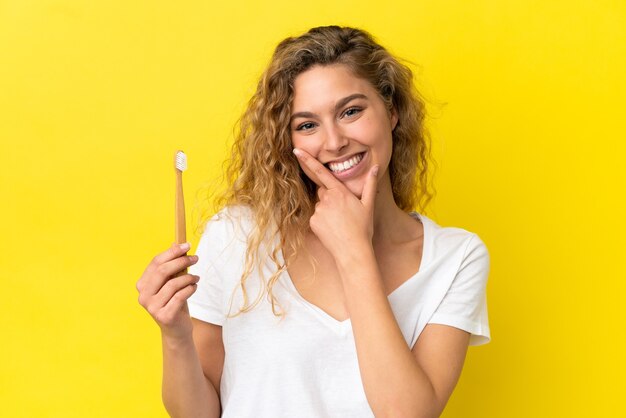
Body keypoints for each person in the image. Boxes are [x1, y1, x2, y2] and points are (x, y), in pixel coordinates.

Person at [136, 25, 491, 418]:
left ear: (392, 111)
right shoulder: (237, 234)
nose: (334, 141)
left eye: (351, 111)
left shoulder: (456, 257)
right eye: (307, 125)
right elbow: (197, 414)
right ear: (286, 140)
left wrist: (354, 251)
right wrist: (175, 336)